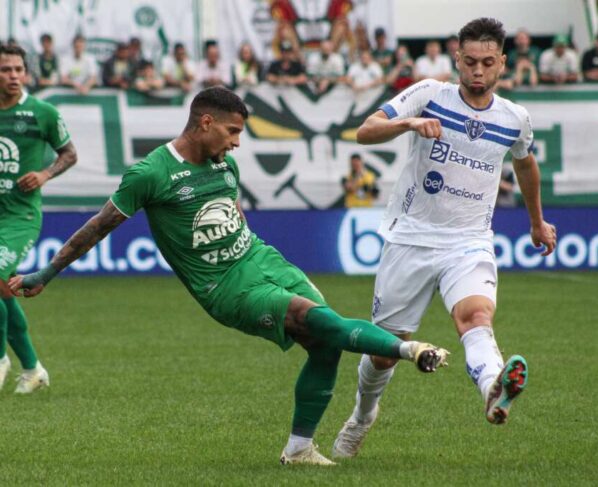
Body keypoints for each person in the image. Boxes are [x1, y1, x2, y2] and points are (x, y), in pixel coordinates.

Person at [9, 86, 448, 465]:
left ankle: (299, 450)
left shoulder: (224, 164)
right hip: (225, 288)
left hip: (261, 259)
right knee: (320, 322)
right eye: (233, 131)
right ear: (204, 122)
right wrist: (46, 272)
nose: (238, 143)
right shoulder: (151, 173)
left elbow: (233, 212)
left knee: (325, 344)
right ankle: (411, 349)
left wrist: (252, 250)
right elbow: (97, 227)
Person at [332, 17, 557, 459]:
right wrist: (410, 125)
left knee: (475, 317)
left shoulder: (514, 118)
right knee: (384, 351)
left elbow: (525, 165)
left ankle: (493, 385)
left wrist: (537, 221)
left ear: (502, 64)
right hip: (412, 238)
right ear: (457, 59)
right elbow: (365, 130)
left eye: (487, 62)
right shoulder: (429, 95)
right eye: (469, 61)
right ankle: (362, 415)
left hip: (469, 240)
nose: (477, 70)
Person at [0, 44, 77, 393]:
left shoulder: (41, 112)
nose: (13, 76)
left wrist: (45, 174)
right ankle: (32, 370)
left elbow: (69, 154)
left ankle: (1, 359)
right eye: (5, 70)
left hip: (20, 215)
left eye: (18, 69)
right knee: (4, 289)